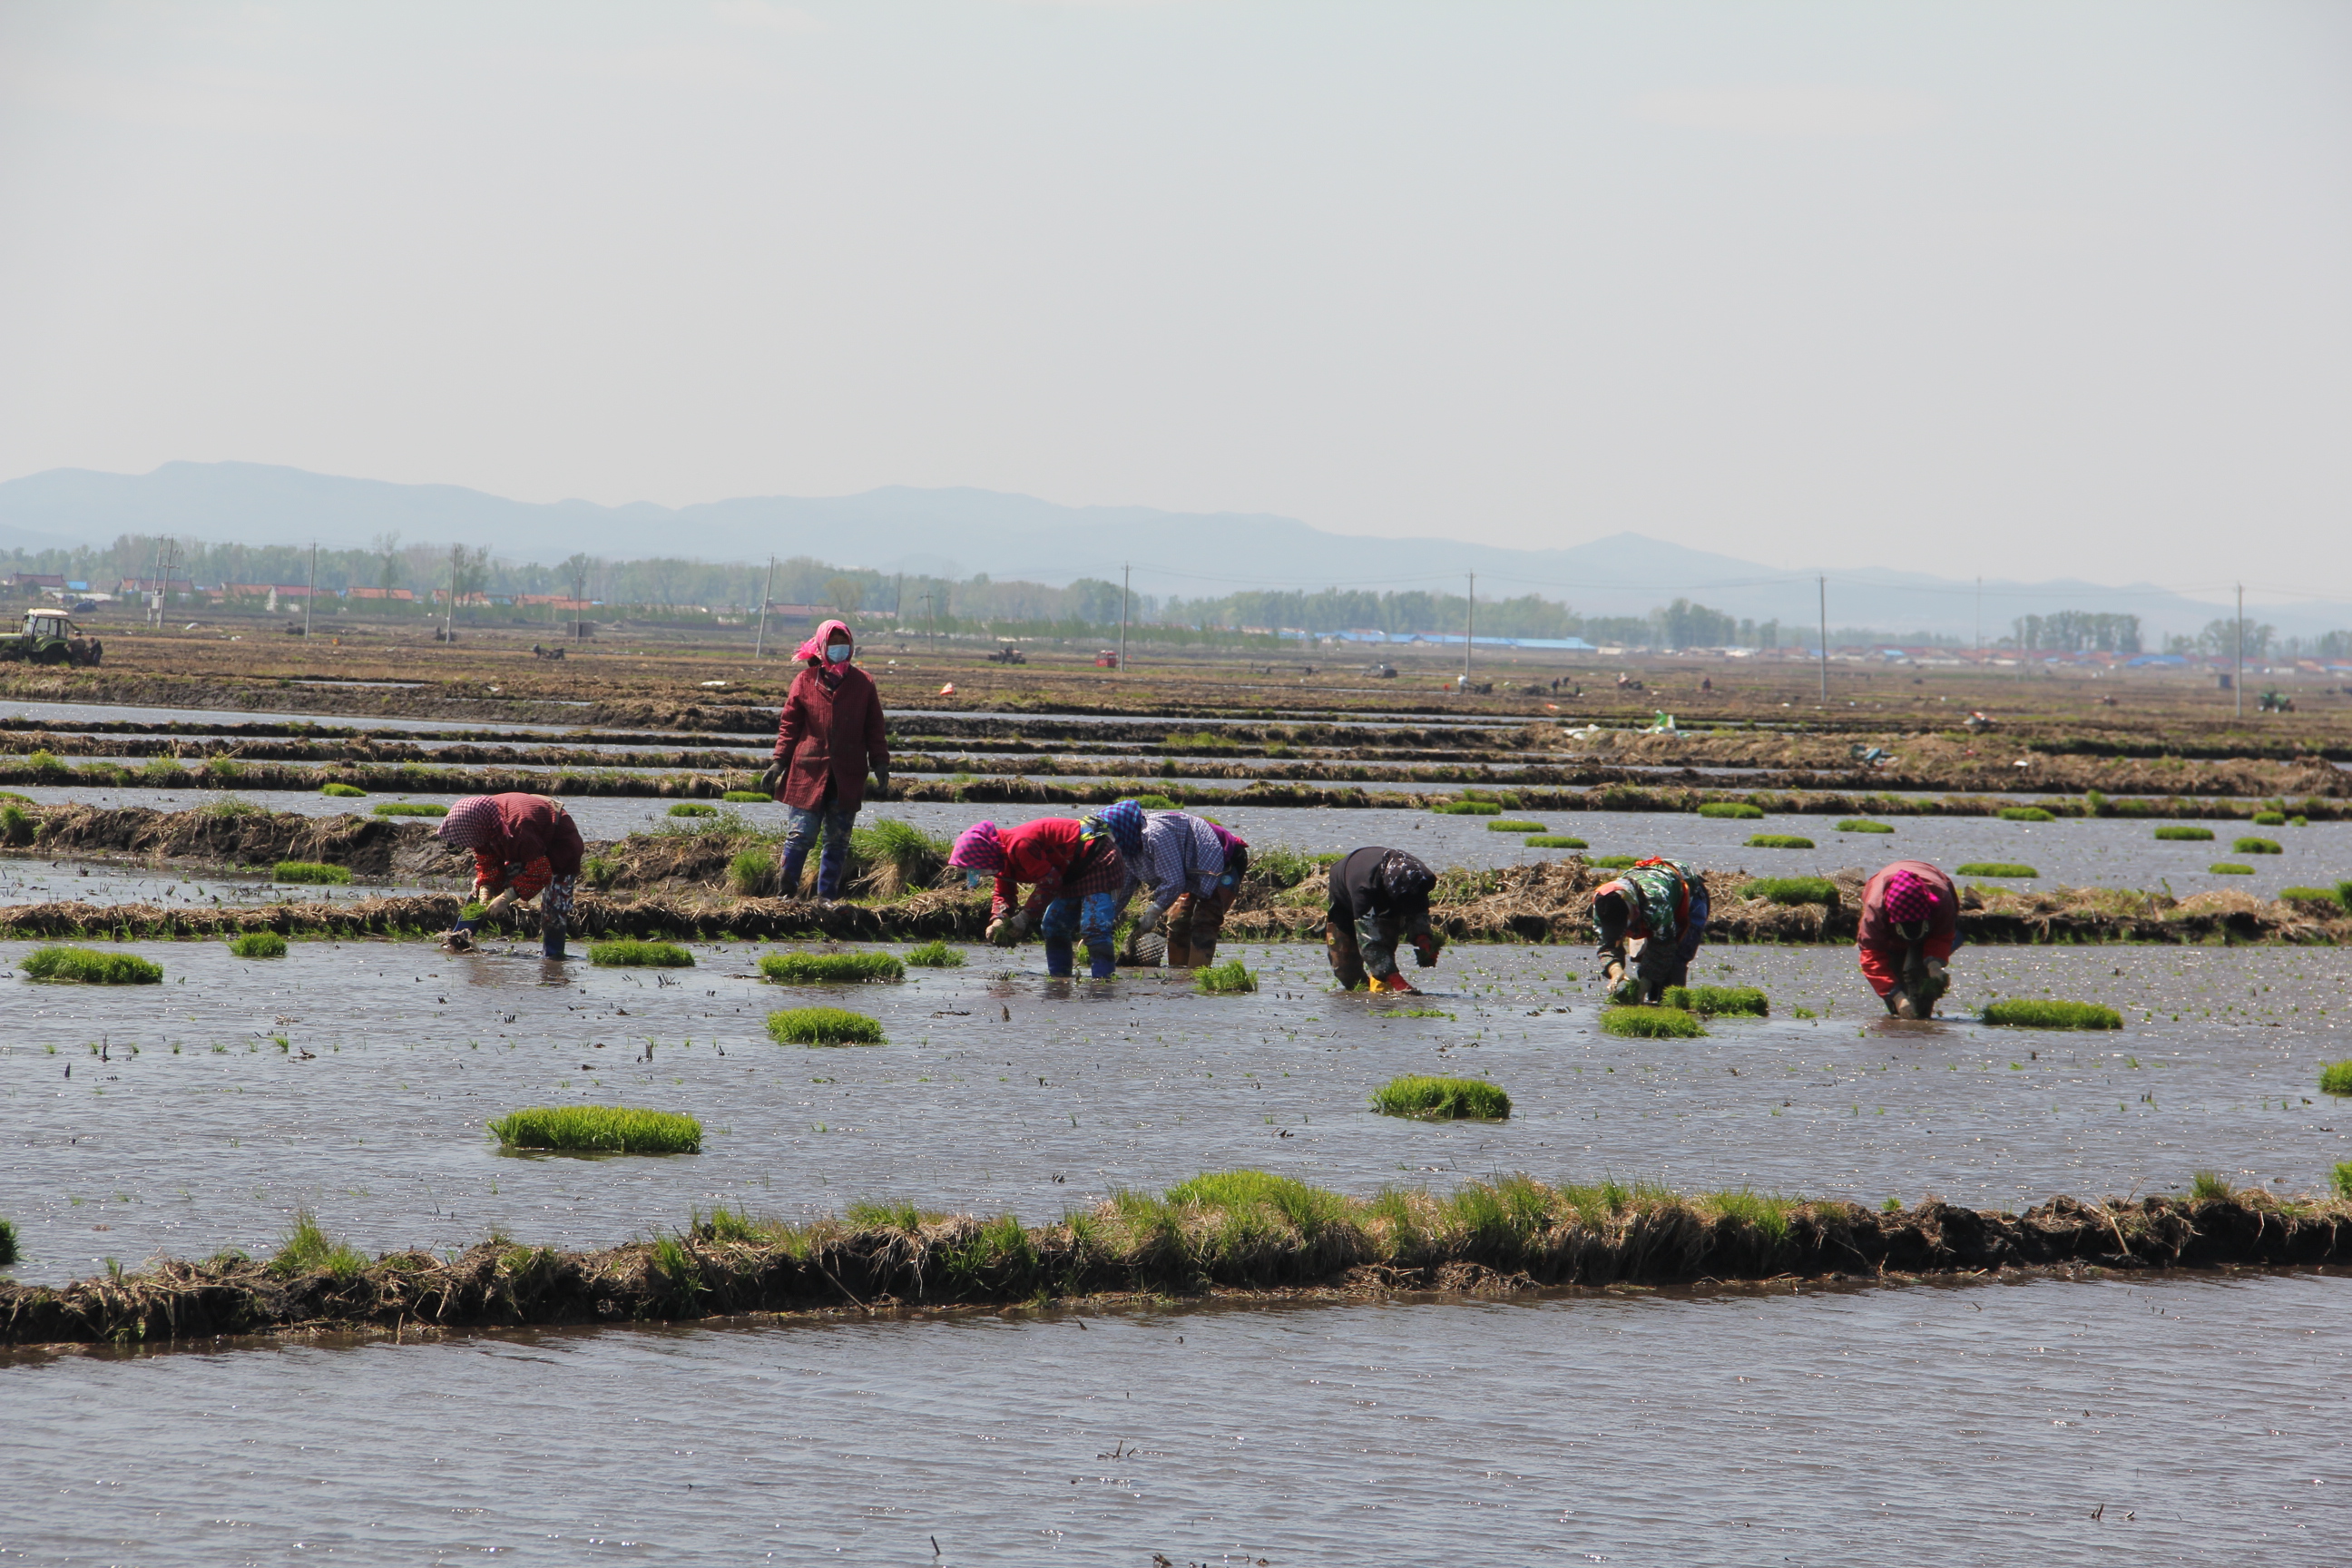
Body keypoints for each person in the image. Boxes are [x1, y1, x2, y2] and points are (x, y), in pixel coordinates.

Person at [762, 617, 888, 901]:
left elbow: (874, 728)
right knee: (801, 835)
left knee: (837, 840)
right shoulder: (805, 681)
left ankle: (825, 899)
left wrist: (881, 764)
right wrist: (778, 763)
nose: (839, 648)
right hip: (808, 771)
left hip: (848, 774)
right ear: (822, 646)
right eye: (833, 643)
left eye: (844, 642)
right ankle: (786, 894)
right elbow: (789, 726)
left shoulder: (863, 683)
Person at [948, 816, 1129, 979]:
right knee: (1052, 926)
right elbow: (1004, 893)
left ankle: (1104, 983)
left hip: (1098, 858)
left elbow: (1050, 882)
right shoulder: (1000, 860)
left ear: (985, 855)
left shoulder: (1020, 845)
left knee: (1094, 927)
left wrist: (1024, 917)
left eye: (978, 869)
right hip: (1069, 870)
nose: (980, 873)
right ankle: (1060, 980)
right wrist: (998, 919)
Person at [1090, 799, 1250, 968]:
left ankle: (1198, 978)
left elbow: (1174, 883)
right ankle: (1178, 978)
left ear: (1122, 828)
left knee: (1205, 919)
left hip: (1223, 861)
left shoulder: (1155, 834)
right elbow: (1125, 887)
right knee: (1177, 920)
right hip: (1190, 869)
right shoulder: (1128, 846)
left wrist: (1152, 913)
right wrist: (1103, 924)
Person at [436, 793, 584, 959]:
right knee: (478, 889)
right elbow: (488, 863)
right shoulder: (482, 824)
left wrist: (507, 897)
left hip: (559, 844)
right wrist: (486, 888)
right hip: (526, 844)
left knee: (554, 905)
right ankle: (459, 940)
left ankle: (553, 956)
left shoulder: (518, 827)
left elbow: (540, 873)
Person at [1591, 857, 1710, 1004]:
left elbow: (1664, 947)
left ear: (1632, 913)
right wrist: (1616, 971)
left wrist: (1643, 986)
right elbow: (1606, 945)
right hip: (1651, 894)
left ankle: (1673, 1009)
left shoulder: (1655, 904)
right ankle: (1651, 1000)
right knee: (1643, 959)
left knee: (1675, 961)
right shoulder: (1602, 904)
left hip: (1689, 896)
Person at [1325, 847, 1443, 993]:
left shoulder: (1421, 877)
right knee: (1346, 969)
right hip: (1346, 893)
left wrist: (1423, 939)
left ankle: (1382, 994)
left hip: (1389, 887)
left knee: (1386, 943)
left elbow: (1418, 911)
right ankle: (1362, 999)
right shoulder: (1364, 891)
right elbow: (1370, 943)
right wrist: (1400, 984)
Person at [1857, 860, 1959, 1018]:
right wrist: (1896, 996)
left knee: (1919, 973)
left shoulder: (1942, 899)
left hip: (1933, 907)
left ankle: (1923, 1019)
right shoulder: (1875, 912)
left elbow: (1941, 935)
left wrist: (1934, 965)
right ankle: (1901, 1023)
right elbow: (1872, 957)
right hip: (1888, 927)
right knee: (1894, 976)